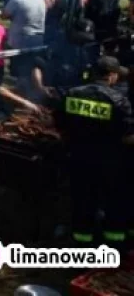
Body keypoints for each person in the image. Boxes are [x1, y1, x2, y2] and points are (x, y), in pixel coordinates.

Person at [55, 57, 134, 245]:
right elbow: (127, 137)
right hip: (110, 162)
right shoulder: (119, 101)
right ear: (113, 75)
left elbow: (60, 125)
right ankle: (114, 244)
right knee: (114, 202)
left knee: (83, 201)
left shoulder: (72, 94)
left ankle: (81, 244)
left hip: (78, 158)